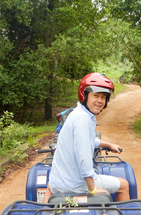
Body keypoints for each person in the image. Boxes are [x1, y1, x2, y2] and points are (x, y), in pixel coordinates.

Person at [43, 73, 129, 203]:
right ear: (85, 95)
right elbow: (83, 158)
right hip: (76, 185)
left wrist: (109, 145)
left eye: (103, 97)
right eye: (96, 96)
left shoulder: (77, 113)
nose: (100, 101)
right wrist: (93, 189)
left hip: (58, 182)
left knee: (51, 186)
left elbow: (86, 141)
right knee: (124, 185)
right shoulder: (83, 119)